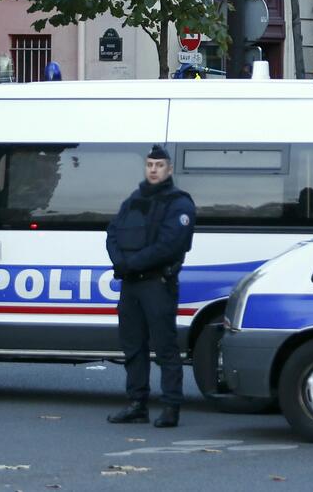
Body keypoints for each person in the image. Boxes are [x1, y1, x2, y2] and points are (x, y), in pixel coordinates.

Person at [106, 144, 195, 428]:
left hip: (158, 284)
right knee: (132, 347)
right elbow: (113, 233)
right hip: (131, 286)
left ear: (169, 169)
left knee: (165, 348)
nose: (153, 170)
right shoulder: (134, 199)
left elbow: (170, 245)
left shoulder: (179, 202)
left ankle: (171, 407)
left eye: (159, 166)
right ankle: (137, 404)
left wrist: (131, 264)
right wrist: (119, 261)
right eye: (149, 165)